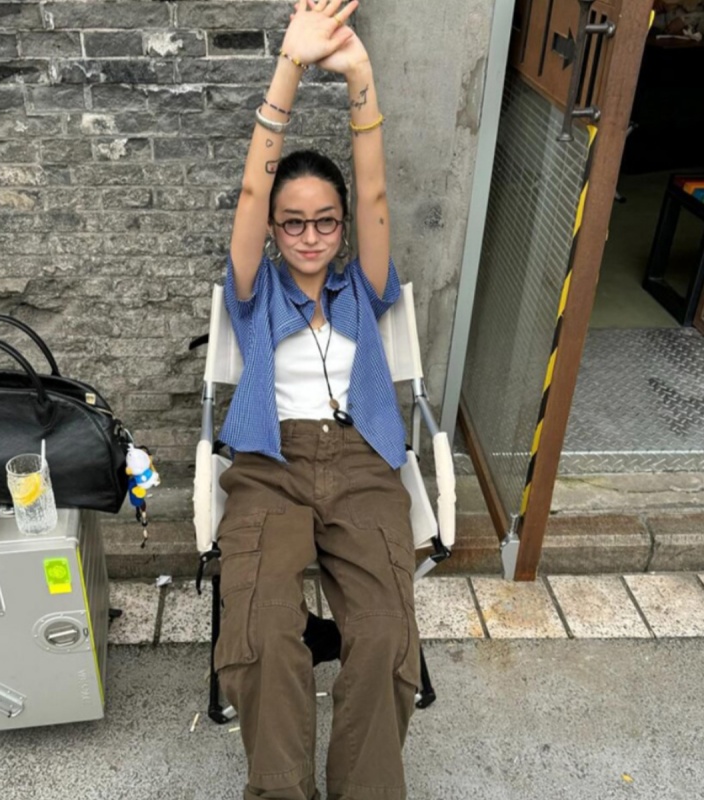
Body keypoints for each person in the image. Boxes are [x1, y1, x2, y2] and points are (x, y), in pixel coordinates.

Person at [215, 2, 421, 798]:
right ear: (274, 229)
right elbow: (249, 190)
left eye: (325, 223)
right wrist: (290, 66)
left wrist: (360, 75)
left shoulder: (364, 287)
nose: (309, 236)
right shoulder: (253, 291)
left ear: (342, 228)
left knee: (384, 633)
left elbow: (374, 191)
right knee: (263, 633)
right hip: (270, 465)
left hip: (363, 464)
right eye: (293, 223)